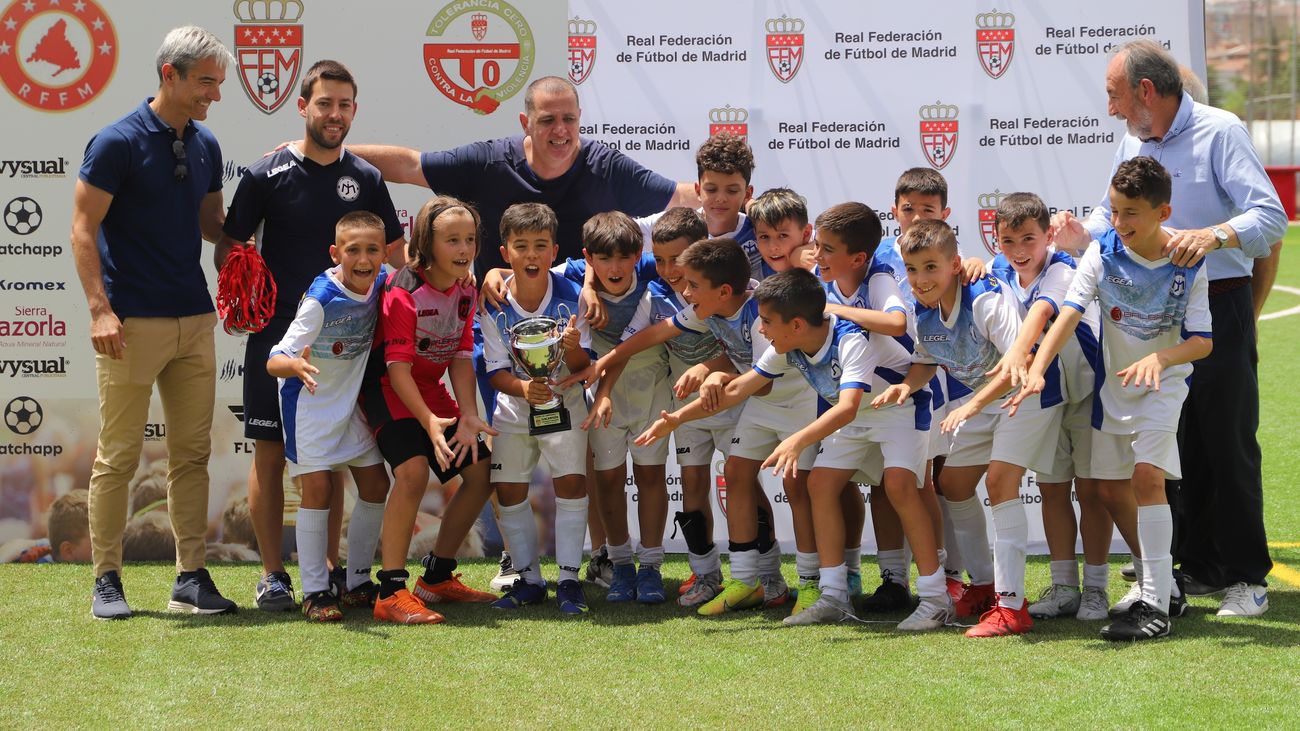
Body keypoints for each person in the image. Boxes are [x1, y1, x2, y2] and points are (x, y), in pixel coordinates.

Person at [1052, 39, 1285, 616]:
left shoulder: (1221, 130)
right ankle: (1188, 569)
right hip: (1144, 312)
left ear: (1146, 92)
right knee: (1168, 445)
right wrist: (1081, 232)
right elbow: (1111, 213)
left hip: (1216, 299)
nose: (1110, 108)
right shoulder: (1133, 139)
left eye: (1114, 95)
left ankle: (1246, 577)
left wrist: (1215, 235)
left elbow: (1271, 216)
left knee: (1224, 440)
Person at [219, 59, 405, 612]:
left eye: (345, 104)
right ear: (302, 106)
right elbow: (230, 246)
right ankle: (275, 575)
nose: (334, 114)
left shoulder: (367, 177)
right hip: (281, 341)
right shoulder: (264, 174)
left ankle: (331, 571)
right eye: (324, 103)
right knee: (271, 454)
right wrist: (239, 283)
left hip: (350, 346)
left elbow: (392, 255)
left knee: (337, 462)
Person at [71, 26, 237, 619]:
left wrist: (256, 231)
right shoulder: (115, 141)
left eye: (218, 84)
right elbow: (82, 228)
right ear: (169, 74)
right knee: (118, 457)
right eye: (204, 83)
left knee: (191, 455)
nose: (213, 95)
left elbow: (212, 224)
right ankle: (107, 581)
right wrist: (99, 309)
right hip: (130, 321)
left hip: (194, 317)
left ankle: (189, 576)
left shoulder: (206, 143)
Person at [1012, 156, 1212, 641]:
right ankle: (1161, 582)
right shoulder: (1102, 252)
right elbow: (1067, 314)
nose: (1119, 223)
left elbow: (1203, 341)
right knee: (1104, 488)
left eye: (1131, 213)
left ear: (1163, 213)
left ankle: (1156, 604)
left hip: (1162, 388)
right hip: (1113, 388)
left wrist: (1160, 360)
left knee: (1147, 478)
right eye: (1115, 211)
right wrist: (1036, 371)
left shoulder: (1188, 259)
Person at [893, 219, 1063, 638]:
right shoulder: (920, 310)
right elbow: (926, 361)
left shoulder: (984, 299)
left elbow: (1018, 365)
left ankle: (1011, 607)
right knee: (953, 484)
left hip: (1028, 394)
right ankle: (985, 586)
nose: (920, 279)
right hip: (984, 404)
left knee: (1002, 483)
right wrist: (904, 386)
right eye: (912, 270)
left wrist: (970, 404)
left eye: (930, 267)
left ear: (955, 264)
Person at [361, 196, 500, 625]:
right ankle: (391, 591)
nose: (464, 250)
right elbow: (398, 371)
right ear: (426, 243)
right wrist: (429, 422)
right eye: (452, 240)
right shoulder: (402, 293)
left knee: (480, 473)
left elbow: (460, 356)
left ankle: (436, 578)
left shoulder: (466, 288)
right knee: (413, 473)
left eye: (471, 240)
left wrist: (467, 412)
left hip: (431, 391)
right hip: (389, 388)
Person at [983, 193, 1113, 622]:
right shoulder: (998, 269)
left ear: (1047, 237)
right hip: (1044, 395)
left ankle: (1096, 588)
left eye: (1028, 240)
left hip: (1088, 387)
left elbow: (1042, 316)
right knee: (1052, 487)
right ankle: (1064, 587)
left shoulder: (1061, 268)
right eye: (1007, 241)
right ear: (995, 239)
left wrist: (1019, 358)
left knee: (1092, 489)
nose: (1019, 251)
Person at [266, 212, 392, 622]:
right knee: (317, 490)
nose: (363, 258)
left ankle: (356, 582)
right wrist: (296, 367)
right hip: (311, 407)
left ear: (384, 253)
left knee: (376, 484)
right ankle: (316, 591)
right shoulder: (322, 299)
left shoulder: (384, 283)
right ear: (335, 254)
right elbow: (275, 359)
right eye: (353, 250)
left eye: (372, 249)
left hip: (350, 405)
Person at [480, 204, 594, 614]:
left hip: (565, 406)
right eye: (522, 246)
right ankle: (528, 579)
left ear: (553, 251)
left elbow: (585, 369)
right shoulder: (492, 301)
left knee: (571, 486)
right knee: (509, 489)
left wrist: (574, 349)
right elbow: (494, 371)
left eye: (540, 246)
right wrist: (523, 387)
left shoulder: (573, 296)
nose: (531, 255)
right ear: (505, 251)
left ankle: (568, 580)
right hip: (513, 408)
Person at [560, 212, 672, 603]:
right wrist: (492, 275)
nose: (615, 266)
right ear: (589, 257)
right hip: (602, 392)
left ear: (638, 254)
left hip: (652, 384)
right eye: (604, 258)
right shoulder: (573, 275)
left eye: (624, 257)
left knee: (651, 476)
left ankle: (652, 566)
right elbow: (520, 272)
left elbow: (635, 342)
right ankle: (621, 565)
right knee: (607, 479)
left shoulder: (656, 270)